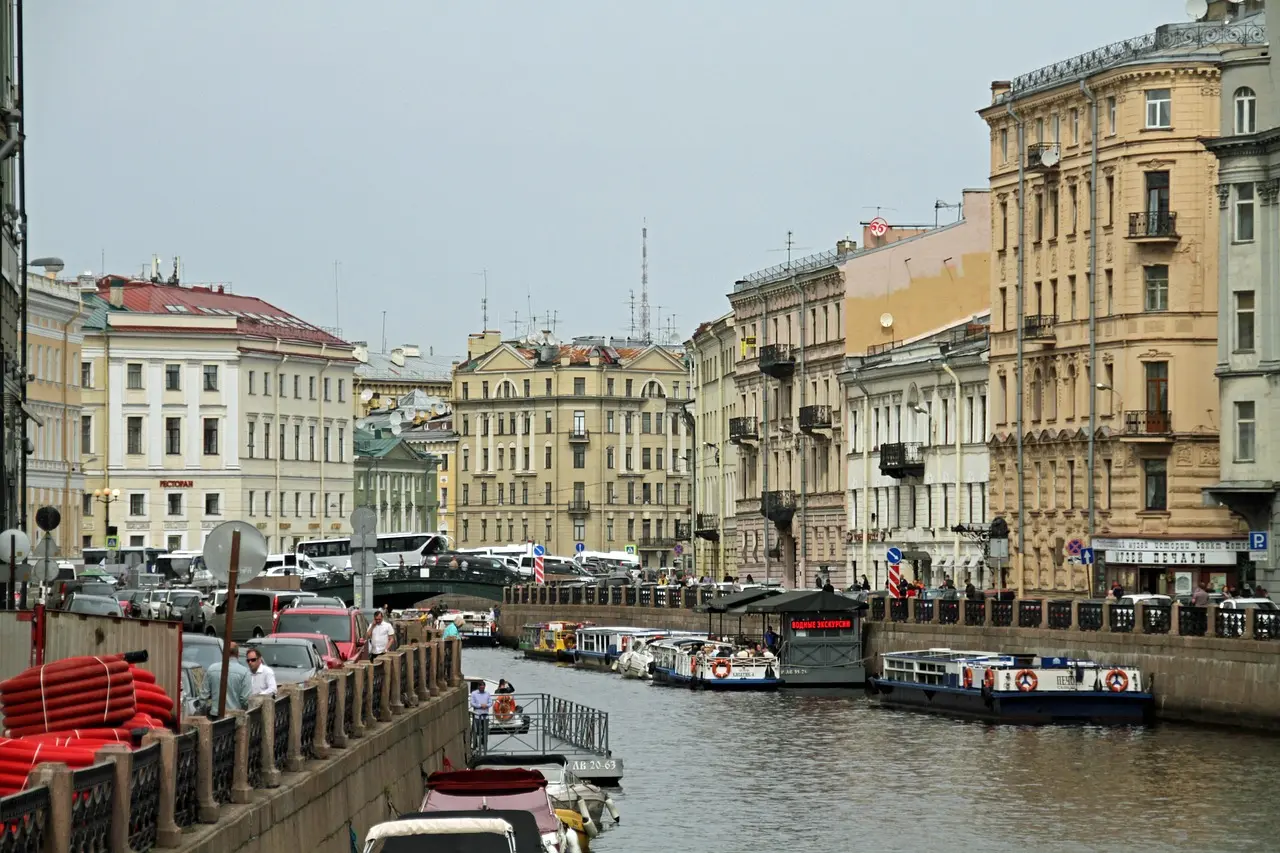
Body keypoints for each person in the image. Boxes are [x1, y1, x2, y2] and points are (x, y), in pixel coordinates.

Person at [200, 643, 253, 715]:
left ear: (223, 653)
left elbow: (203, 697)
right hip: (235, 717)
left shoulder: (211, 669)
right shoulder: (244, 672)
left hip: (215, 716)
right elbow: (245, 700)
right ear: (237, 654)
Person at [469, 680, 493, 752]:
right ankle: (475, 746)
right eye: (481, 687)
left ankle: (484, 746)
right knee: (476, 732)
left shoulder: (487, 694)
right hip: (477, 715)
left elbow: (490, 702)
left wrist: (486, 705)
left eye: (484, 687)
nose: (483, 688)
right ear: (478, 687)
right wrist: (480, 706)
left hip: (485, 716)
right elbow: (472, 703)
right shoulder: (474, 694)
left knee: (485, 732)